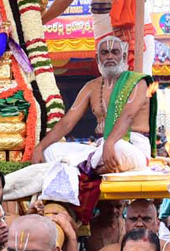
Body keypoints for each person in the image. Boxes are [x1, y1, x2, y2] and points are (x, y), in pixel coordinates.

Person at [33, 35, 155, 173]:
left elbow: (128, 116)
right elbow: (67, 122)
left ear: (124, 56)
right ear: (97, 59)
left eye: (115, 52)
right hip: (102, 148)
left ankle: (86, 169)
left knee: (119, 148)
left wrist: (110, 142)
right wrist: (40, 147)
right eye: (104, 53)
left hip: (132, 147)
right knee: (51, 151)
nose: (110, 57)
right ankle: (94, 168)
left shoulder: (137, 82)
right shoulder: (91, 87)